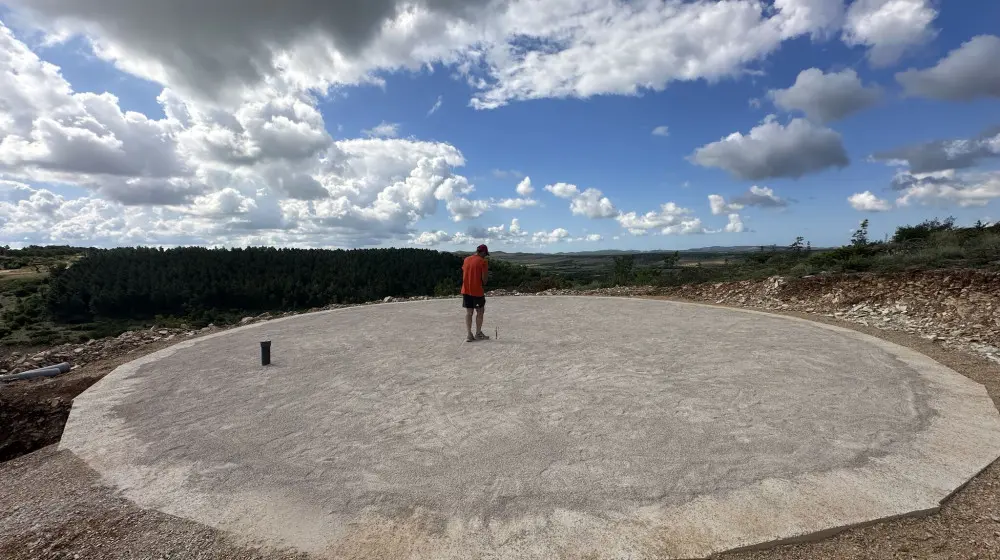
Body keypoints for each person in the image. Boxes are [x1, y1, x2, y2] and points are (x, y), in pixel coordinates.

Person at [461, 244, 491, 342]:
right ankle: (478, 333)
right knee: (480, 311)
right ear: (483, 252)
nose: (485, 256)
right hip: (477, 291)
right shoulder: (483, 262)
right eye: (485, 254)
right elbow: (484, 280)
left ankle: (469, 335)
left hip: (466, 290)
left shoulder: (466, 259)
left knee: (469, 313)